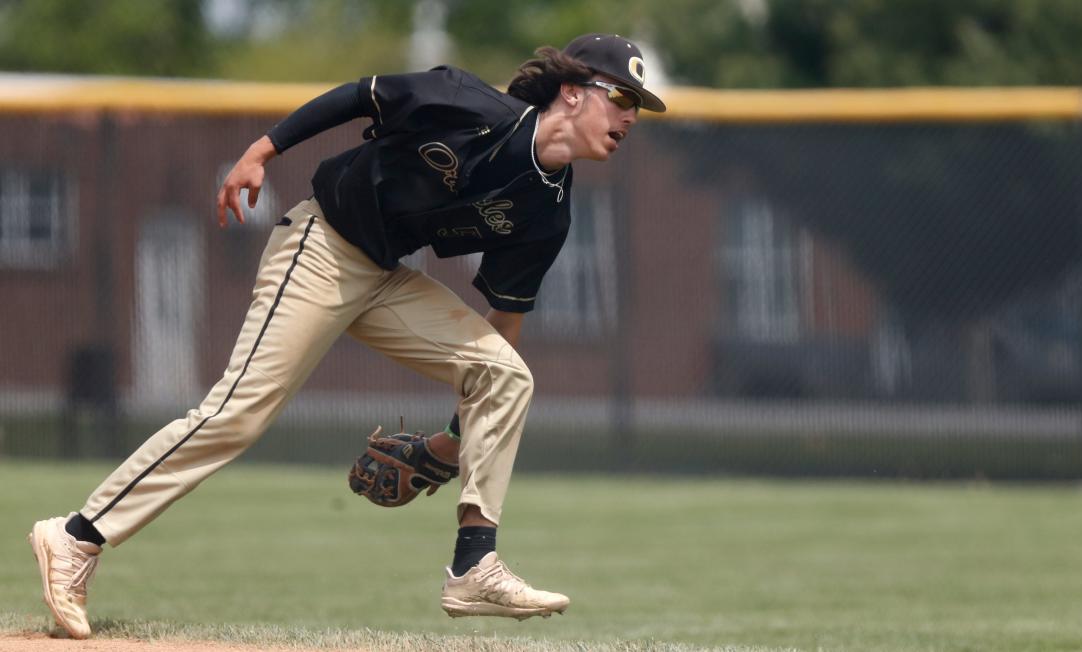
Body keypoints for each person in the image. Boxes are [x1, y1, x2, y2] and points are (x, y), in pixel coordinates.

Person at [29, 33, 666, 639]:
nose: (631, 116)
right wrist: (262, 151)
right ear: (573, 92)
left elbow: (504, 320)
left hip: (386, 277)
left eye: (638, 105)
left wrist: (453, 439)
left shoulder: (548, 210)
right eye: (622, 97)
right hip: (322, 246)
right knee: (237, 413)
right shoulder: (470, 103)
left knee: (507, 373)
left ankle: (474, 566)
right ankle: (76, 535)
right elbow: (361, 95)